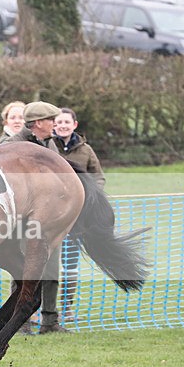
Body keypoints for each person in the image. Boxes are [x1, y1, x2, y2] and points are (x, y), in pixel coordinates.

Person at [53, 107, 106, 323]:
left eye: (67, 122)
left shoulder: (86, 151)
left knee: (70, 265)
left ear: (74, 124)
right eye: (59, 122)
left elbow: (98, 178)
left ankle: (67, 307)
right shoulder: (47, 147)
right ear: (53, 125)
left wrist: (88, 197)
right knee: (46, 264)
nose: (63, 125)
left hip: (76, 217)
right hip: (50, 215)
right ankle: (40, 309)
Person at [18, 101, 67, 334]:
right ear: (38, 123)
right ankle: (21, 323)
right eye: (51, 121)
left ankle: (50, 322)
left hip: (50, 221)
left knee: (51, 272)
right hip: (22, 222)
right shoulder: (13, 146)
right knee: (24, 272)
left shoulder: (50, 144)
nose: (54, 125)